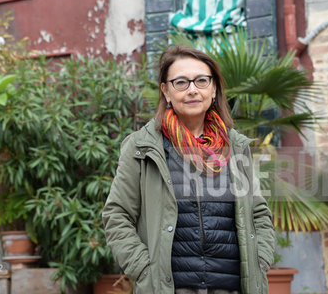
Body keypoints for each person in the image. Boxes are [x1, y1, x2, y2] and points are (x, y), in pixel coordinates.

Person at [102, 45, 275, 294]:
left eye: (201, 81)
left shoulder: (236, 146)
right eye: (181, 82)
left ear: (213, 89)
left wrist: (260, 260)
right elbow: (117, 215)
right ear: (166, 91)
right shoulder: (142, 148)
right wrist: (143, 268)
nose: (193, 90)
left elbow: (258, 212)